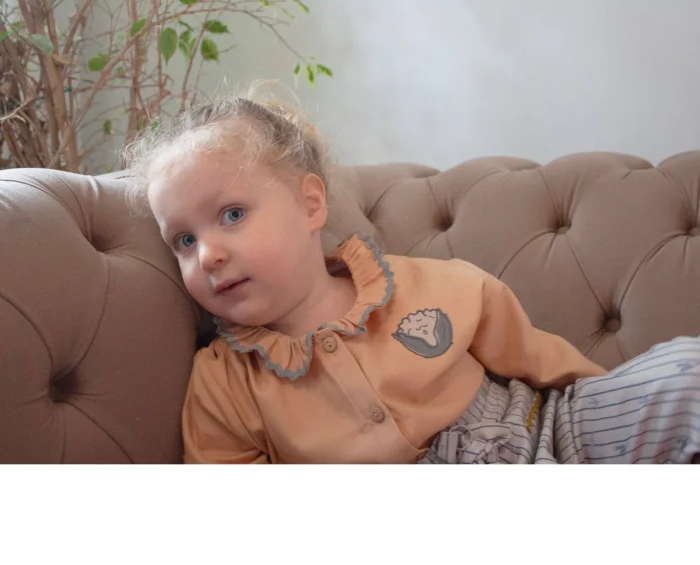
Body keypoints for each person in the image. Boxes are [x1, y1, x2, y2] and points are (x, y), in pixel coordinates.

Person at [123, 85, 700, 464]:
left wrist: (606, 397)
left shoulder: (425, 285)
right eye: (184, 241)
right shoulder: (225, 382)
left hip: (547, 431)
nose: (208, 255)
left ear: (309, 204)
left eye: (232, 215)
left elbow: (540, 360)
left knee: (685, 369)